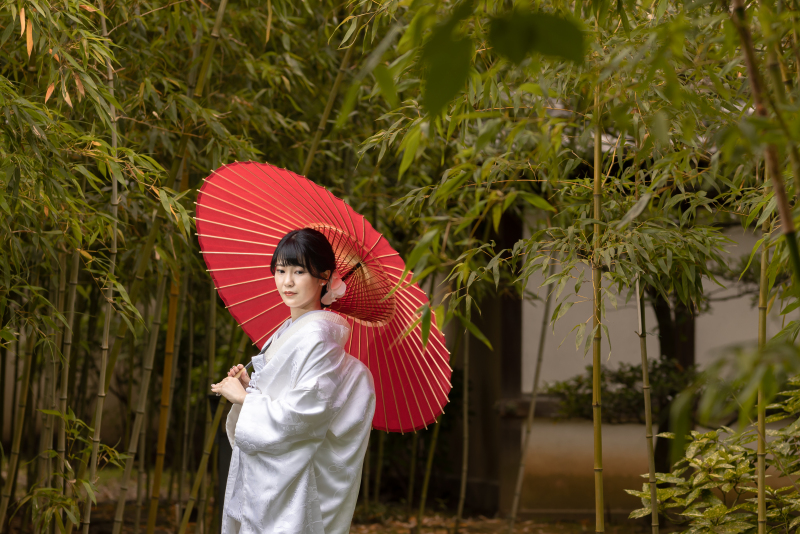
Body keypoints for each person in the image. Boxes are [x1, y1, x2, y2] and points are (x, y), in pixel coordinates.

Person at [211, 228, 376, 534]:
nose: (287, 281)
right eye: (280, 270)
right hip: (267, 473)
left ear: (324, 276)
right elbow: (283, 392)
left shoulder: (318, 336)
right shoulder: (292, 328)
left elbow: (306, 411)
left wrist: (246, 401)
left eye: (299, 271)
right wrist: (251, 386)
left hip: (288, 478)